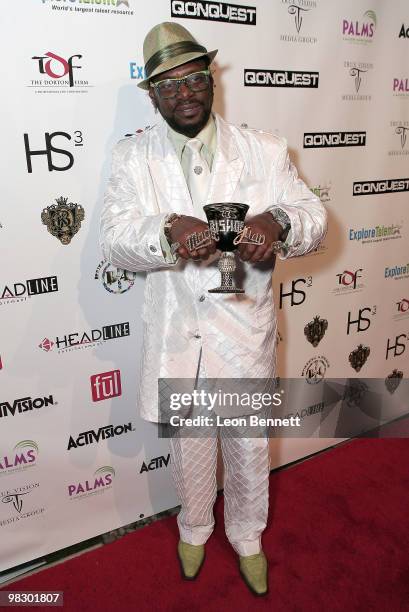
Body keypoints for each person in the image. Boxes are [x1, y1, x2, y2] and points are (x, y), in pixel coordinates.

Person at [100, 21, 327, 596]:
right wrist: (166, 229)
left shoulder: (265, 149)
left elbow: (312, 215)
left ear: (211, 80)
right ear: (151, 95)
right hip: (179, 335)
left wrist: (279, 222)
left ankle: (248, 535)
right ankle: (195, 528)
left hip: (244, 333)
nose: (185, 93)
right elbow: (114, 238)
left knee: (249, 446)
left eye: (195, 78)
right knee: (192, 446)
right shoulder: (132, 158)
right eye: (169, 85)